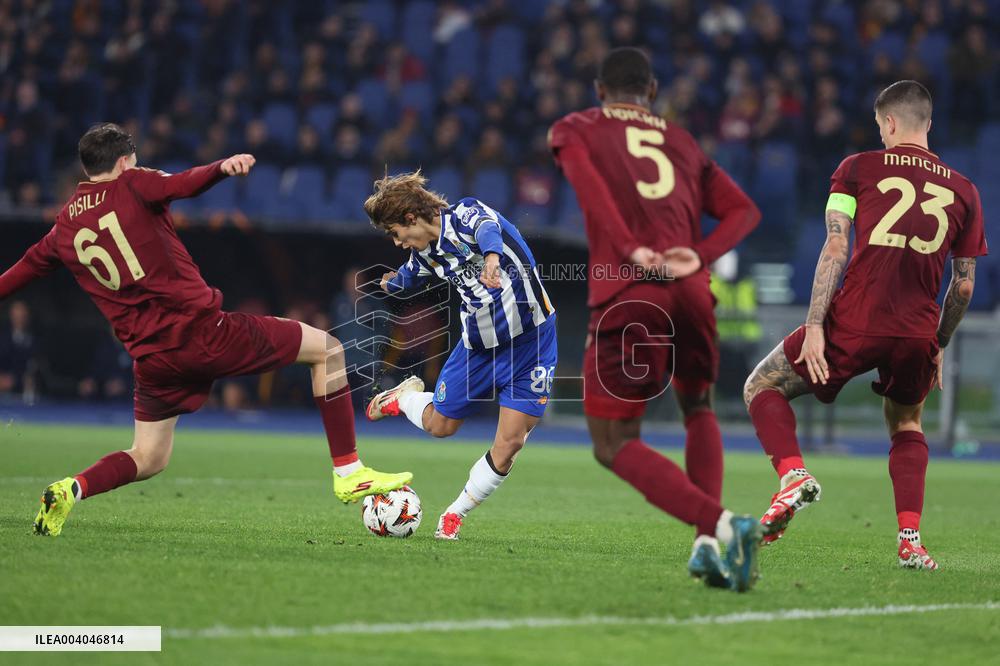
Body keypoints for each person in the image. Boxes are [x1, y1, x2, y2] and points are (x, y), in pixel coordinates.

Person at [0, 123, 411, 537]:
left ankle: (72, 488)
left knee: (148, 456)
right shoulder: (132, 184)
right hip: (203, 333)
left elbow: (19, 273)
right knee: (328, 350)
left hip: (153, 360)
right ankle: (349, 472)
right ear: (124, 162)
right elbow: (181, 184)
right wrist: (221, 168)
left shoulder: (63, 229)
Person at [743, 80, 988, 570]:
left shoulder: (857, 168)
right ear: (929, 124)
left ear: (889, 122)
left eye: (880, 126)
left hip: (855, 320)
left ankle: (793, 477)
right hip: (917, 331)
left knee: (761, 386)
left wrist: (815, 323)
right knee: (907, 423)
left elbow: (836, 245)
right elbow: (962, 287)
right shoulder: (965, 190)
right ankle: (910, 541)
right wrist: (938, 343)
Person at [549, 47, 763, 591]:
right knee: (698, 406)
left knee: (613, 441)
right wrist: (702, 254)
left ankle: (726, 526)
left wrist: (629, 249)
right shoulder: (684, 141)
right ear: (652, 90)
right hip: (690, 289)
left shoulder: (576, 128)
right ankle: (706, 545)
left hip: (632, 287)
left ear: (600, 90)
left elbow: (591, 192)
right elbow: (745, 210)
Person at [363, 171, 557, 542]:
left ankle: (454, 513)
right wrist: (392, 283)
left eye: (396, 233)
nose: (398, 242)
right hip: (478, 349)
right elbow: (407, 278)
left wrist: (492, 259)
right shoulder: (424, 256)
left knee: (510, 444)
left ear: (410, 218)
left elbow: (488, 230)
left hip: (532, 344)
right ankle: (402, 399)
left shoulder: (465, 214)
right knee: (441, 427)